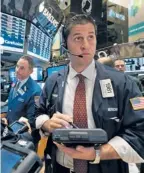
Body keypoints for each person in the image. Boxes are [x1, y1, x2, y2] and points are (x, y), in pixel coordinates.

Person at [35, 14, 144, 173]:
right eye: (78, 38)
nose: (86, 45)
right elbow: (38, 113)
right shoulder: (53, 82)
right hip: (61, 168)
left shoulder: (123, 83)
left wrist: (97, 153)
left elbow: (139, 132)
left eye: (91, 37)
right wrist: (46, 123)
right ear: (65, 44)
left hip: (106, 168)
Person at [6, 55, 42, 146]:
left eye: (22, 68)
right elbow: (12, 102)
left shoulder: (36, 91)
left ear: (31, 71)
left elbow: (31, 121)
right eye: (17, 66)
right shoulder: (16, 81)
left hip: (24, 137)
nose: (17, 70)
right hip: (11, 131)